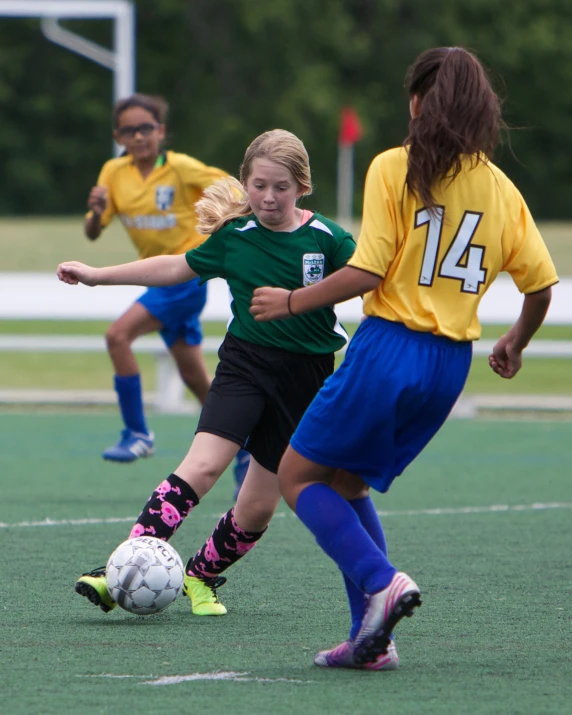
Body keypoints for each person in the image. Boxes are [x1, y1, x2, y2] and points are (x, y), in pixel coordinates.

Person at [250, 47, 558, 670]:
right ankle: (372, 642)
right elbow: (541, 286)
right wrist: (515, 342)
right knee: (346, 480)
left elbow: (366, 272)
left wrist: (291, 300)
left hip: (390, 348)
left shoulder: (396, 166)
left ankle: (381, 580)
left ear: (418, 101)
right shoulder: (501, 188)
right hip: (450, 368)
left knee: (297, 476)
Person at [58, 129, 360, 635]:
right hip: (245, 364)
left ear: (301, 187)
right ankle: (119, 568)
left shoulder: (329, 239)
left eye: (280, 187)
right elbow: (176, 266)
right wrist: (97, 274)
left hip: (305, 379)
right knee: (201, 467)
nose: (268, 197)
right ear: (245, 183)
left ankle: (202, 575)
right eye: (259, 185)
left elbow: (365, 277)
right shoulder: (234, 238)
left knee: (260, 505)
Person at [85, 92, 249, 491]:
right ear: (118, 135)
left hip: (185, 277)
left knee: (117, 335)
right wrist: (94, 210)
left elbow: (237, 194)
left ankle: (138, 434)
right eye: (129, 130)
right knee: (194, 375)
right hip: (154, 279)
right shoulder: (113, 172)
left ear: (160, 131)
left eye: (146, 128)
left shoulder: (181, 168)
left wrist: (222, 224)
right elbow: (93, 232)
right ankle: (245, 440)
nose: (139, 136)